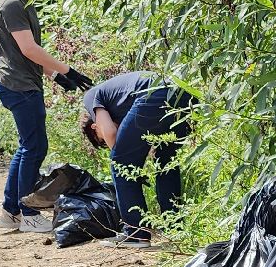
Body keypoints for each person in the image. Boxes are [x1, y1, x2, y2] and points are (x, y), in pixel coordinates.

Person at [0, 0, 80, 234]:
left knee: (27, 147)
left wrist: (55, 74)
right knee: (34, 147)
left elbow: (27, 53)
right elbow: (29, 49)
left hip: (24, 82)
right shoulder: (12, 5)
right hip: (18, 86)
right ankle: (28, 212)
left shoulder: (25, 5)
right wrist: (68, 69)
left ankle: (11, 211)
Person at [79, 71, 194, 247]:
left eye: (99, 140)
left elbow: (109, 132)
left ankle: (135, 233)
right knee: (166, 164)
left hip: (153, 94)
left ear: (95, 127)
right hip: (183, 95)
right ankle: (175, 229)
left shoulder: (90, 97)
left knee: (120, 163)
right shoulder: (119, 102)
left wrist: (124, 159)